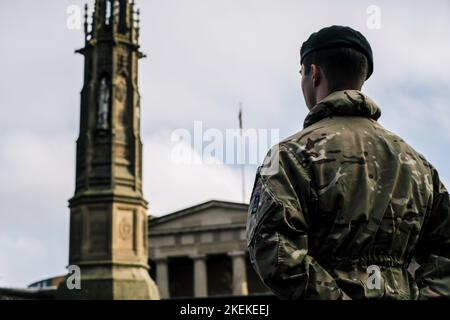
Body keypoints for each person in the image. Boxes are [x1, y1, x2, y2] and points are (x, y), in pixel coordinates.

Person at [246, 25, 450, 299]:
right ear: (362, 77)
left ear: (314, 74)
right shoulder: (418, 166)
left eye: (301, 74)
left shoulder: (289, 156)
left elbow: (276, 254)